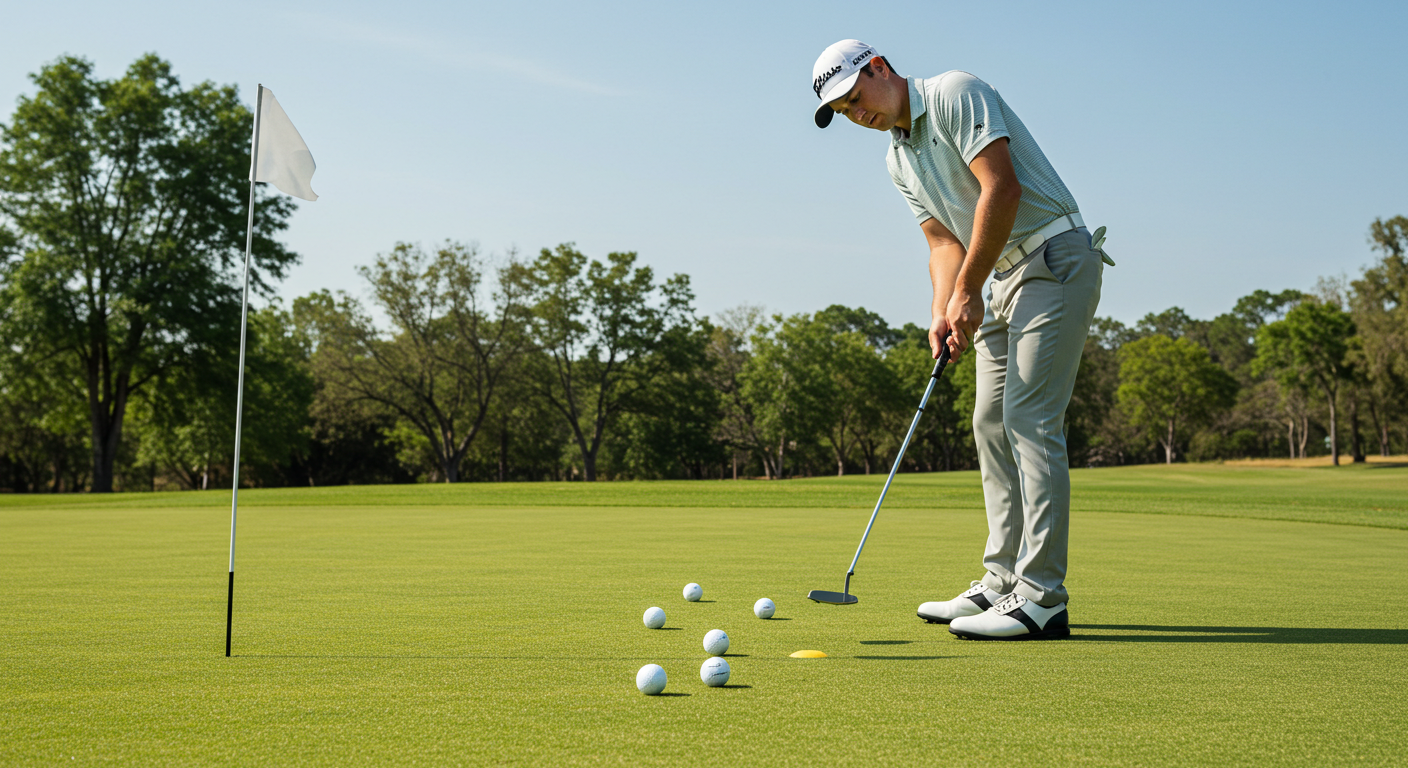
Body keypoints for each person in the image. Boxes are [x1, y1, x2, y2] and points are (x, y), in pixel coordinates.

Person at [810, 39, 1113, 640]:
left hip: (1052, 256)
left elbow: (1002, 190)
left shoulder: (952, 92)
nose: (855, 113)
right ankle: (1002, 582)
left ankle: (1042, 596)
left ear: (879, 68)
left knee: (1029, 420)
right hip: (997, 274)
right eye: (842, 111)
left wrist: (967, 289)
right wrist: (943, 308)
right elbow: (942, 244)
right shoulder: (898, 159)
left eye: (854, 97)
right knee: (989, 423)